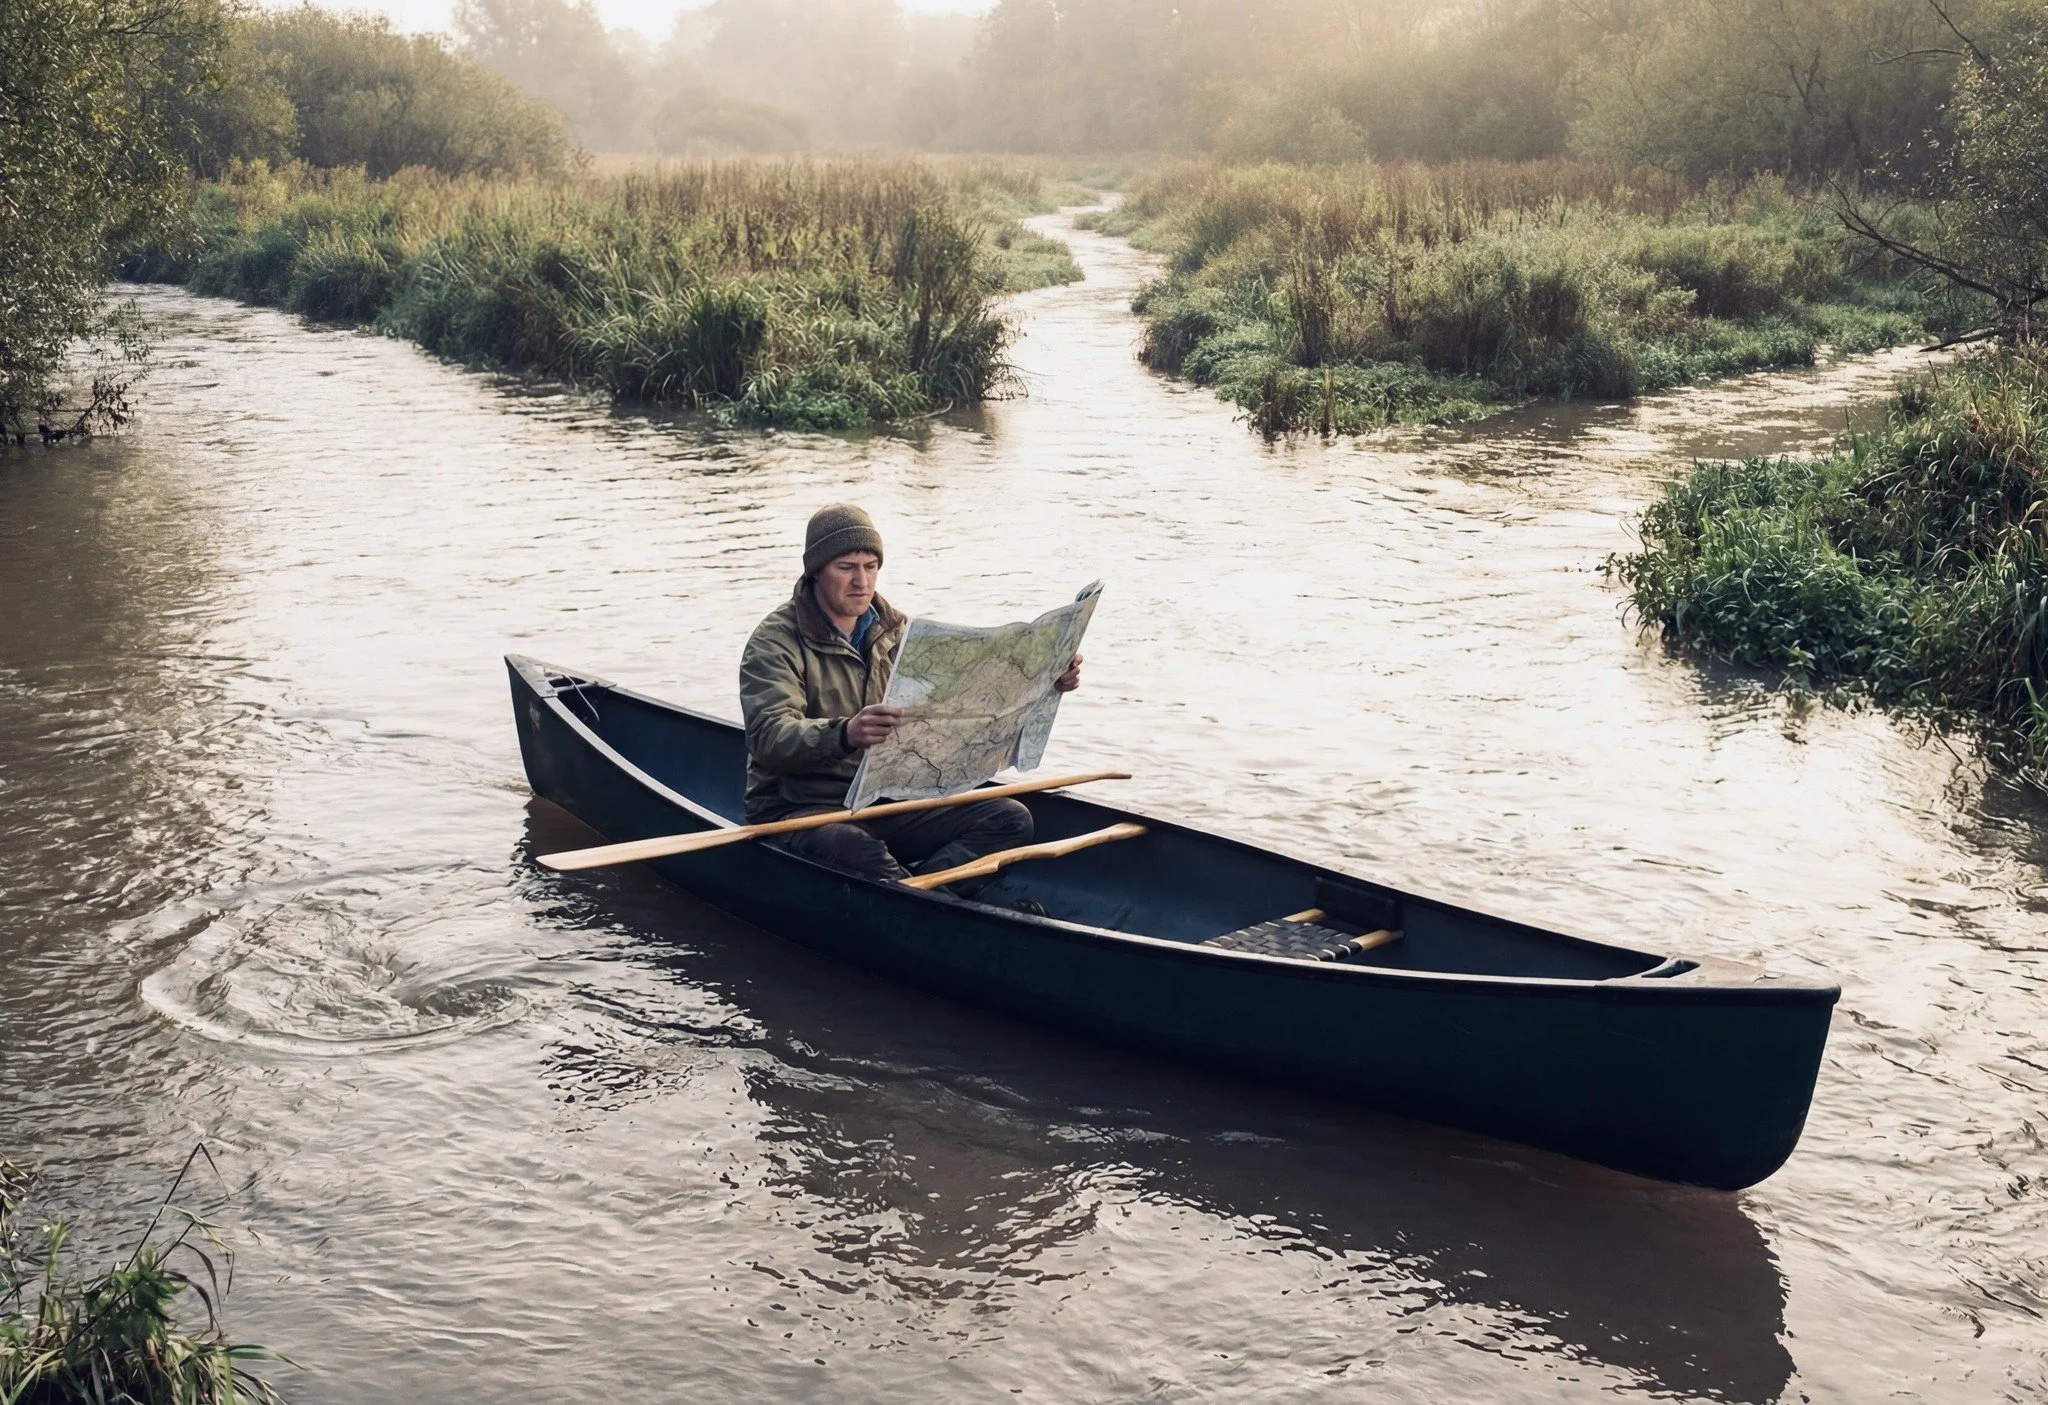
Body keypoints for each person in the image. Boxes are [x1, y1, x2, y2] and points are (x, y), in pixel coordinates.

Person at [738, 504, 1082, 889]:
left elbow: (961, 704)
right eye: (846, 567)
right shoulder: (774, 641)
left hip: (880, 797)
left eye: (870, 566)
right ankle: (927, 903)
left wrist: (1046, 682)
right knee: (854, 849)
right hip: (799, 808)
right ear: (816, 570)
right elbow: (769, 737)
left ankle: (926, 891)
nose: (861, 581)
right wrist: (845, 733)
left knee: (1011, 818)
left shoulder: (897, 632)